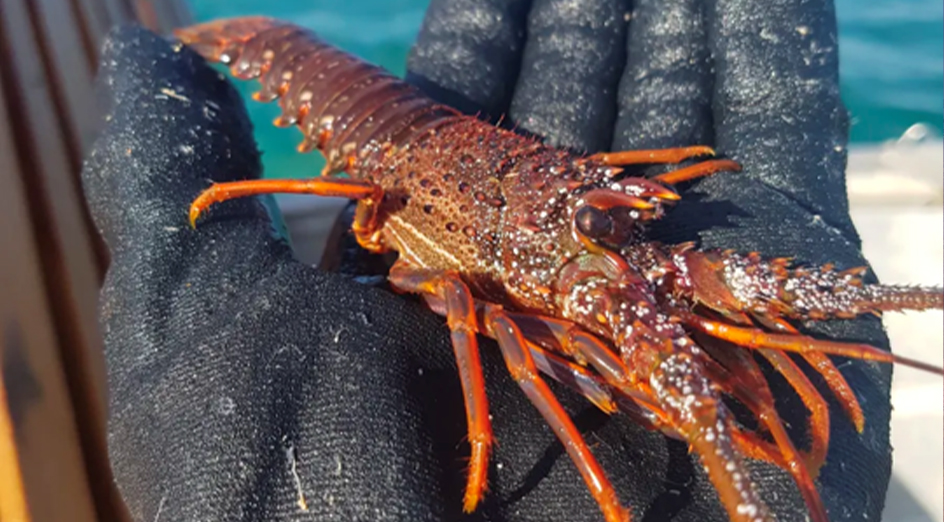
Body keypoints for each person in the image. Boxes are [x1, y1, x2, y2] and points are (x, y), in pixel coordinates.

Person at [82, 0, 894, 520]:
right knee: (487, 326)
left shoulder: (602, 256)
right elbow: (496, 335)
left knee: (757, 328)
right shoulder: (496, 289)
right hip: (377, 138)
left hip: (463, 159)